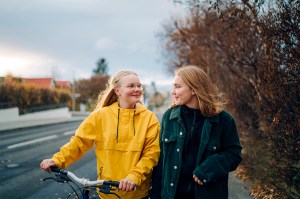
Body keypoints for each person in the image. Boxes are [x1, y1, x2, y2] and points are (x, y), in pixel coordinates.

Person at [40, 70, 160, 199]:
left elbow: (151, 154)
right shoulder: (100, 116)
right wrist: (57, 160)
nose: (137, 89)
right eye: (131, 86)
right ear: (117, 91)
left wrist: (134, 176)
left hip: (137, 193)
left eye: (139, 85)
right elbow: (79, 142)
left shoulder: (149, 118)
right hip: (106, 191)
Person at [149, 65, 242, 199]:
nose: (172, 92)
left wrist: (209, 168)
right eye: (173, 86)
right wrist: (155, 195)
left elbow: (234, 155)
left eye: (177, 86)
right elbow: (161, 162)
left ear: (194, 89)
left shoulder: (224, 120)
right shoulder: (169, 117)